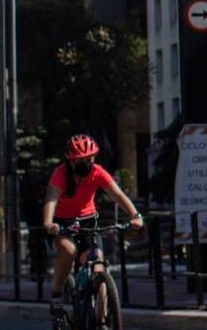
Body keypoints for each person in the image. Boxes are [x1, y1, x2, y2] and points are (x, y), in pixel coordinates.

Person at [40, 135, 144, 318]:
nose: (86, 164)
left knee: (99, 268)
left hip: (88, 222)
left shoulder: (97, 172)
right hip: (62, 224)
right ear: (71, 160)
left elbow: (117, 195)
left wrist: (135, 215)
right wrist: (49, 223)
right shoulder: (61, 174)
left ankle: (102, 322)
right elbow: (51, 198)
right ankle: (57, 294)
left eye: (90, 159)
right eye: (81, 160)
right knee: (69, 250)